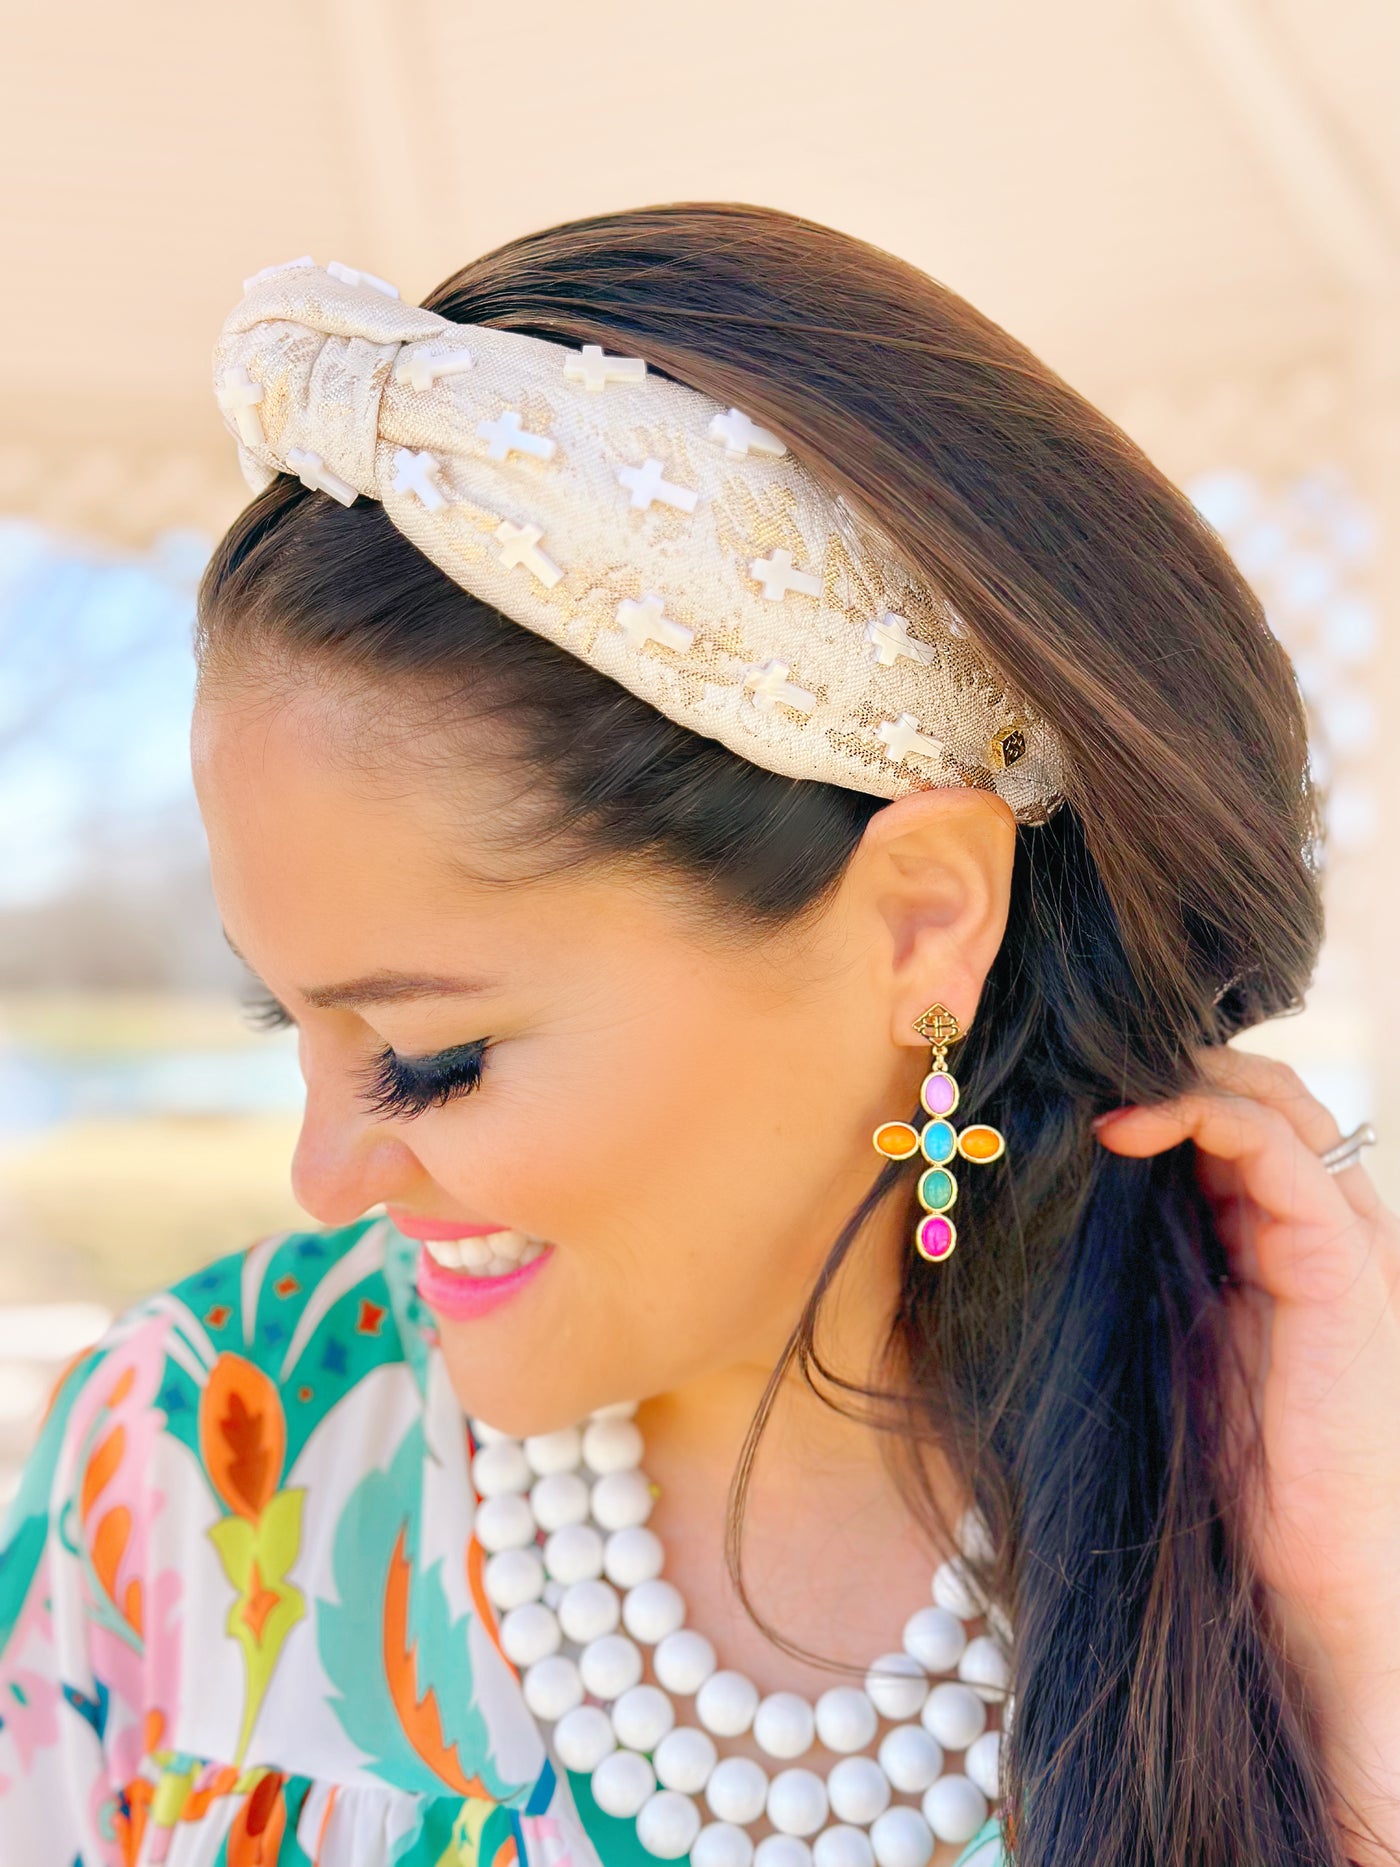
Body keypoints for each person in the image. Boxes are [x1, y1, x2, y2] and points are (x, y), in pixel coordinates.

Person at [1, 203, 1397, 1867]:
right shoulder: (189, 1462)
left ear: (922, 919)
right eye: (285, 1018)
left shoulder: (1310, 1500)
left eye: (433, 1061)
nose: (320, 1179)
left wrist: (1360, 1678)